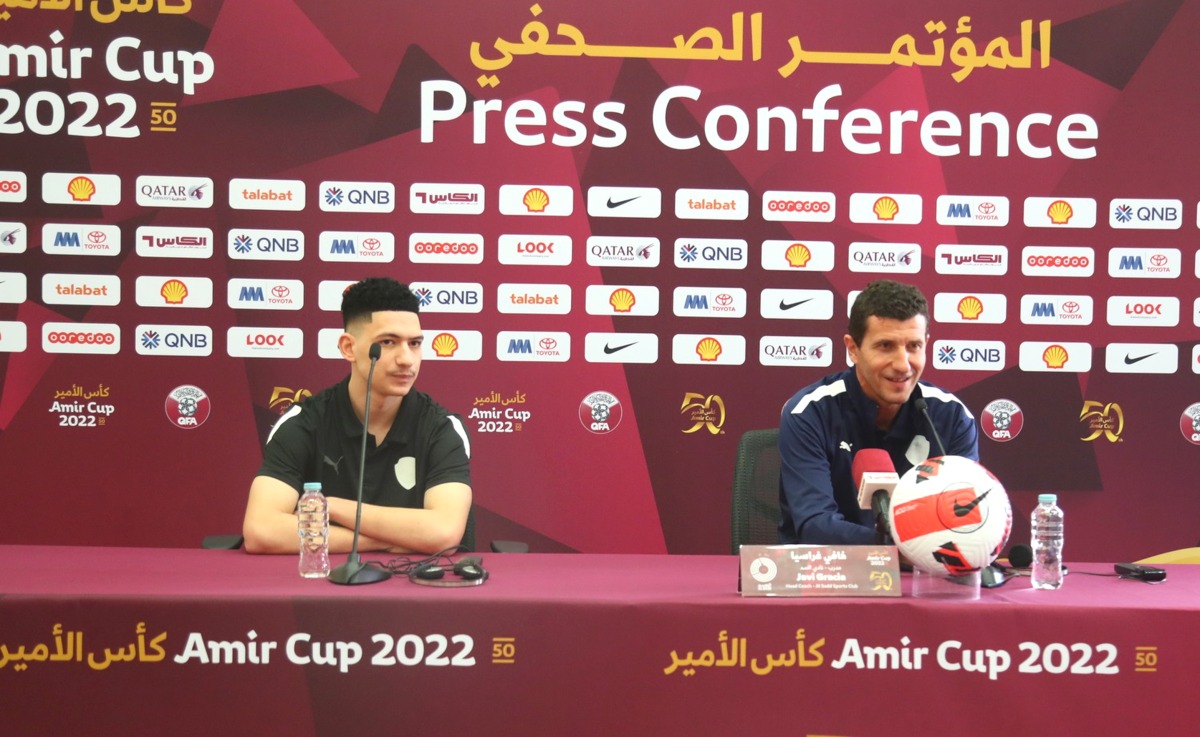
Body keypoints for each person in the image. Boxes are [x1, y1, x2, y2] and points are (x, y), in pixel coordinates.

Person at [243, 277, 472, 555]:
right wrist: (390, 540)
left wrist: (331, 506)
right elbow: (261, 531)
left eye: (414, 343)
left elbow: (444, 534)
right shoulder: (303, 423)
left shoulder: (441, 428)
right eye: (387, 342)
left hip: (415, 593)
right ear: (348, 348)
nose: (407, 360)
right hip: (323, 591)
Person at [778, 280, 978, 545]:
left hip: (921, 575)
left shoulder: (953, 416)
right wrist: (908, 547)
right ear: (853, 349)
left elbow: (963, 519)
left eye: (914, 346)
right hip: (827, 577)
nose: (903, 365)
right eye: (886, 346)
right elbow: (815, 526)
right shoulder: (809, 412)